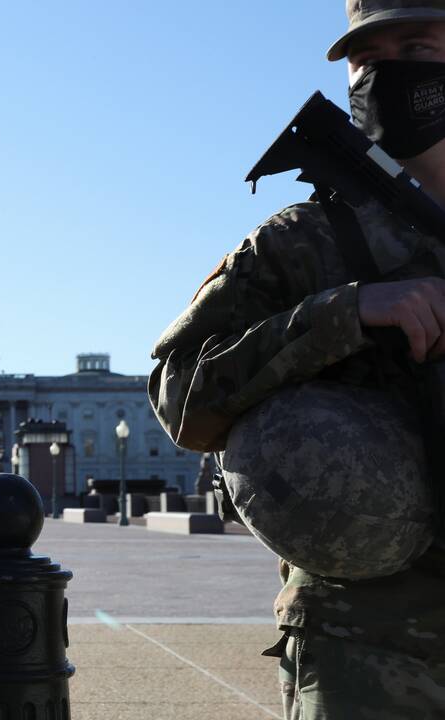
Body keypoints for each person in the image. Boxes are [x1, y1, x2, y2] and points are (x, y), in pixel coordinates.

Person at [150, 2, 445, 718]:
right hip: (371, 648)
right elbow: (177, 387)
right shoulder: (304, 239)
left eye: (414, 45)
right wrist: (344, 313)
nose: (384, 74)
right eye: (364, 60)